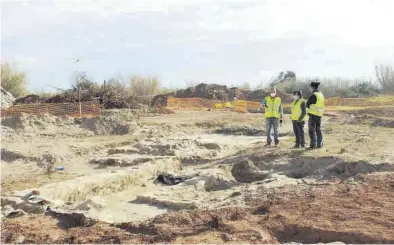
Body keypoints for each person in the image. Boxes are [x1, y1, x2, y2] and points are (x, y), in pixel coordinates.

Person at [306, 81, 325, 149]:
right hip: (319, 115)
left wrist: (308, 106)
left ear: (312, 87)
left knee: (312, 130)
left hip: (313, 115)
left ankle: (313, 145)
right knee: (318, 130)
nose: (309, 89)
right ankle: (319, 144)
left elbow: (307, 104)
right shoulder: (321, 95)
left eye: (310, 87)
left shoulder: (314, 95)